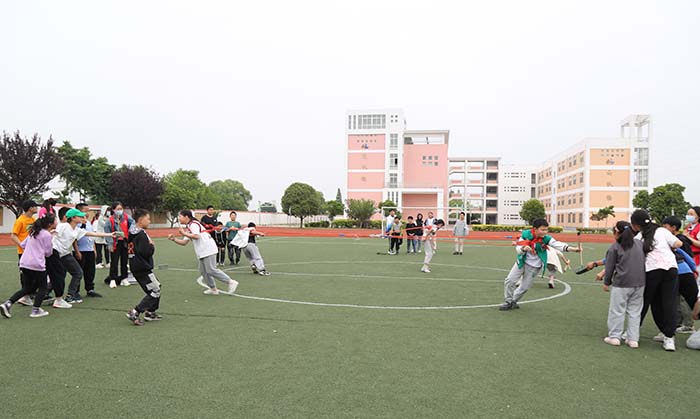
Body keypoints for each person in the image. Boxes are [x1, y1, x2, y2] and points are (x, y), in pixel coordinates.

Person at [499, 219, 581, 311]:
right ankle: (508, 302)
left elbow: (558, 244)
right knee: (509, 280)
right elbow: (518, 248)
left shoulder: (546, 238)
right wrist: (523, 249)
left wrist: (573, 249)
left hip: (534, 267)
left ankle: (513, 301)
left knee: (524, 287)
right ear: (535, 229)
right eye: (542, 230)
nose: (545, 232)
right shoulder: (525, 235)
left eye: (546, 229)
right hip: (521, 262)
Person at [631, 209, 683, 351]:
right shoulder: (662, 231)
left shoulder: (639, 237)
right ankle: (669, 338)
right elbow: (678, 243)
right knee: (669, 303)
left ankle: (633, 333)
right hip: (670, 269)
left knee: (643, 302)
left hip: (651, 271)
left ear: (636, 225)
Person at [597, 221, 646, 348]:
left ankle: (614, 336)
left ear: (616, 232)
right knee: (635, 312)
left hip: (622, 283)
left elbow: (609, 267)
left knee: (617, 310)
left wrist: (606, 282)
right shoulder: (639, 244)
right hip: (640, 282)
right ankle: (633, 339)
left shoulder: (615, 247)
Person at [0, 214, 58, 319]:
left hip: (24, 263)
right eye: (55, 220)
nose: (56, 222)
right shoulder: (47, 235)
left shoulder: (33, 231)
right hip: (37, 264)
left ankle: (7, 304)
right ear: (50, 224)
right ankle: (36, 310)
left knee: (27, 288)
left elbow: (23, 245)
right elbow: (48, 253)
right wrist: (50, 238)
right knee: (43, 287)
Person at [168, 210, 239, 294]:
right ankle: (213, 289)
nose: (179, 218)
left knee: (211, 270)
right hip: (203, 251)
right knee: (203, 271)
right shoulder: (189, 227)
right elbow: (184, 242)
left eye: (180, 216)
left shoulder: (193, 224)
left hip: (208, 249)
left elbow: (196, 236)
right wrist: (174, 239)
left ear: (186, 217)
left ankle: (231, 282)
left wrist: (184, 233)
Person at [58, 208, 115, 304]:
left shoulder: (77, 230)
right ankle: (50, 295)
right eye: (80, 216)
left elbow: (93, 234)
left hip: (64, 254)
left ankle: (69, 296)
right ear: (73, 218)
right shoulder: (63, 226)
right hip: (55, 254)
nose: (82, 218)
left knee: (77, 272)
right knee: (58, 275)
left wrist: (110, 234)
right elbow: (52, 232)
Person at [661, 216, 698, 335]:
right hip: (680, 272)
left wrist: (693, 269)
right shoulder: (672, 239)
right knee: (676, 301)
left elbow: (686, 255)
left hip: (682, 272)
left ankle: (686, 325)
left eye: (665, 226)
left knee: (687, 300)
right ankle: (676, 325)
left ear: (673, 228)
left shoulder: (679, 240)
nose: (663, 229)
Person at [125, 209, 162, 325]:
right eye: (148, 219)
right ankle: (135, 311)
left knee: (156, 287)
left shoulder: (132, 232)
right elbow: (145, 252)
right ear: (141, 220)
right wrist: (152, 246)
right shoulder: (141, 234)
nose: (149, 221)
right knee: (155, 290)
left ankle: (150, 311)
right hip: (142, 267)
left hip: (136, 264)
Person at [10, 200, 38, 306]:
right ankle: (24, 296)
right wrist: (22, 245)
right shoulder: (20, 221)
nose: (36, 208)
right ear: (30, 208)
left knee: (35, 274)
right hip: (23, 252)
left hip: (33, 251)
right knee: (25, 274)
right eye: (35, 206)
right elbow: (13, 235)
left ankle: (29, 294)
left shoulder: (33, 219)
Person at [74, 203, 101, 298]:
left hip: (89, 250)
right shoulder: (76, 224)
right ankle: (75, 291)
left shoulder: (89, 223)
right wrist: (77, 251)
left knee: (90, 271)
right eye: (85, 211)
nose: (87, 213)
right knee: (78, 272)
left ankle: (90, 289)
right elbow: (74, 239)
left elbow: (92, 236)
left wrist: (94, 249)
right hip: (81, 250)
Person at [104, 202, 133, 288]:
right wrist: (110, 245)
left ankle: (124, 278)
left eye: (121, 209)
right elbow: (107, 233)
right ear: (113, 210)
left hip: (124, 242)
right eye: (118, 209)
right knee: (114, 261)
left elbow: (133, 226)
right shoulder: (110, 220)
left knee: (124, 261)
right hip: (115, 243)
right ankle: (113, 279)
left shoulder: (127, 217)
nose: (120, 210)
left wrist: (130, 239)